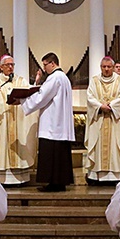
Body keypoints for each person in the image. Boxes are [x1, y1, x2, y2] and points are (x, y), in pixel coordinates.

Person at [20, 52, 75, 192]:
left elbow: (42, 97)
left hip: (53, 124)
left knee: (51, 154)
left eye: (45, 65)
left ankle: (53, 183)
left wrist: (23, 100)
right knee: (60, 155)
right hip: (60, 124)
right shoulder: (64, 78)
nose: (44, 68)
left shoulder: (54, 77)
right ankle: (60, 183)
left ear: (52, 63)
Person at [0, 55, 38, 185]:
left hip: (18, 123)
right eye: (7, 65)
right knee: (1, 146)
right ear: (1, 67)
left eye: (12, 64)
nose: (11, 67)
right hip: (2, 125)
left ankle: (20, 177)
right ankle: (2, 177)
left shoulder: (21, 81)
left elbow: (30, 94)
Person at [85, 56, 120, 184]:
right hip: (99, 120)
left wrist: (112, 106)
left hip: (116, 120)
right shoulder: (94, 81)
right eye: (104, 67)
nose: (107, 69)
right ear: (101, 67)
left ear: (113, 67)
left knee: (117, 144)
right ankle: (96, 176)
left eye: (109, 67)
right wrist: (100, 106)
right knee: (98, 146)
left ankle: (116, 175)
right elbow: (90, 97)